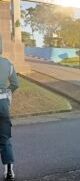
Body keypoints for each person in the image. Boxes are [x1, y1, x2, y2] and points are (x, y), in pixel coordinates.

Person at [0, 37, 19, 181]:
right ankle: (9, 172)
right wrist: (6, 93)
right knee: (5, 138)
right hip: (2, 103)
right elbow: (15, 84)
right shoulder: (8, 64)